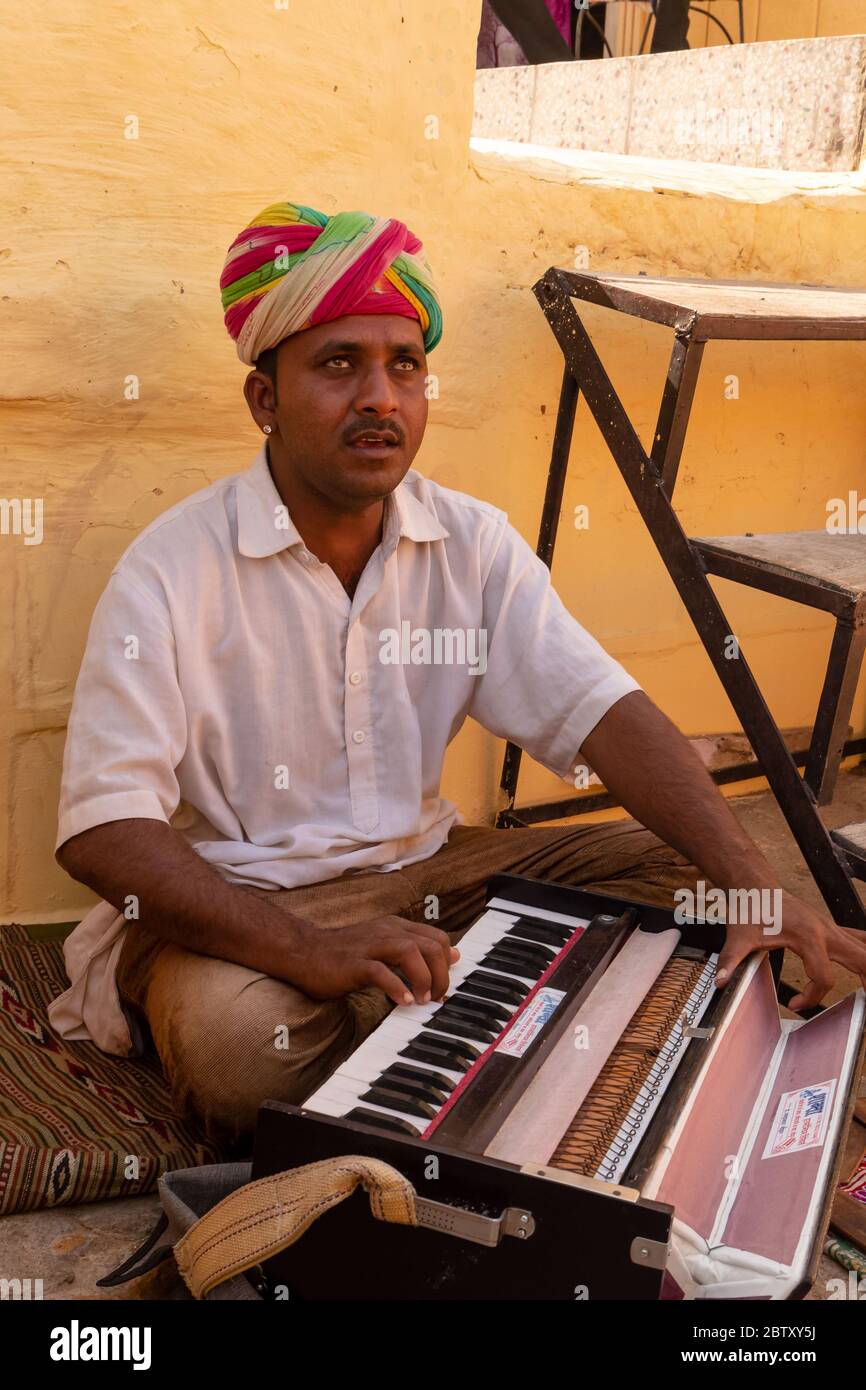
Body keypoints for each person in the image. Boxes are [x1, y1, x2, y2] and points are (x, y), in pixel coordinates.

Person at [50, 199, 866, 1150]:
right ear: (264, 400)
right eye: (338, 364)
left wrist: (751, 886)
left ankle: (436, 1018)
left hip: (440, 869)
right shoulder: (172, 567)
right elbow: (104, 833)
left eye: (406, 365)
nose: (381, 399)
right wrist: (307, 952)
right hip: (248, 904)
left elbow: (599, 710)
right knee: (241, 1050)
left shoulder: (471, 541)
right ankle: (478, 1021)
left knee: (702, 896)